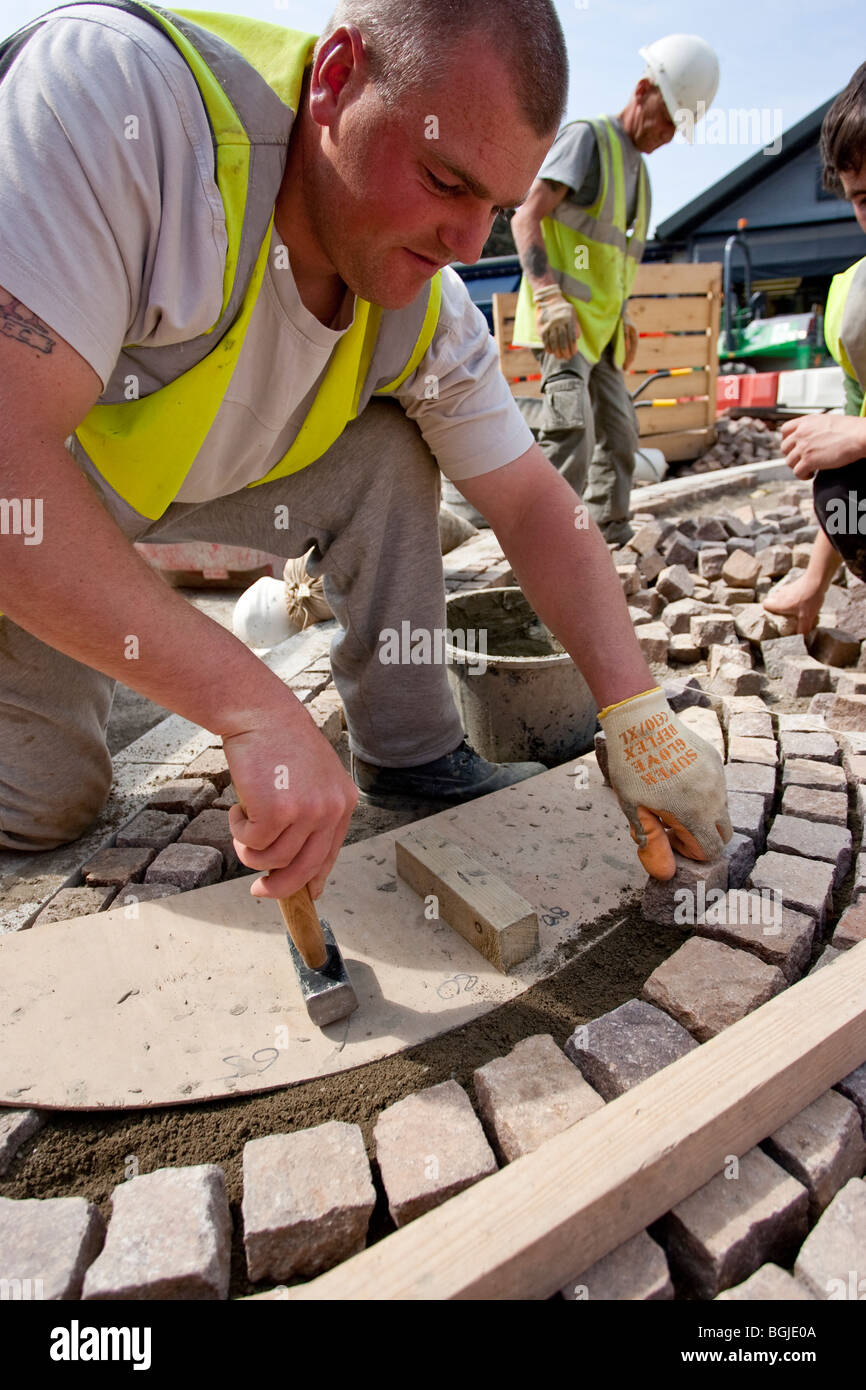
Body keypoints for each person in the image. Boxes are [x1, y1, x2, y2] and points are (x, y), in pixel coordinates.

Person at [0, 0, 731, 904]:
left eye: (496, 208)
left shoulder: (428, 307)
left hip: (158, 484)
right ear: (338, 77)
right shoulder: (128, 109)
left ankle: (413, 757)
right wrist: (248, 703)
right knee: (45, 811)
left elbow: (537, 505)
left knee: (390, 449)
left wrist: (634, 708)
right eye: (442, 179)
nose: (467, 243)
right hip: (42, 503)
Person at [510, 34, 720, 545]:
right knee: (569, 433)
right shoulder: (588, 140)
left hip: (602, 331)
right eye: (666, 119)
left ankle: (608, 532)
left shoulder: (641, 176)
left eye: (678, 129)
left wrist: (621, 313)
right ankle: (550, 548)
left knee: (621, 437)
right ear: (643, 89)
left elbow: (613, 259)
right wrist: (546, 295)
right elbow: (526, 216)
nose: (667, 135)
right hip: (562, 325)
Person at [764, 63, 866, 630]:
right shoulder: (855, 301)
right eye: (865, 199)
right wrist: (814, 579)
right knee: (843, 483)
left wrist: (859, 433)